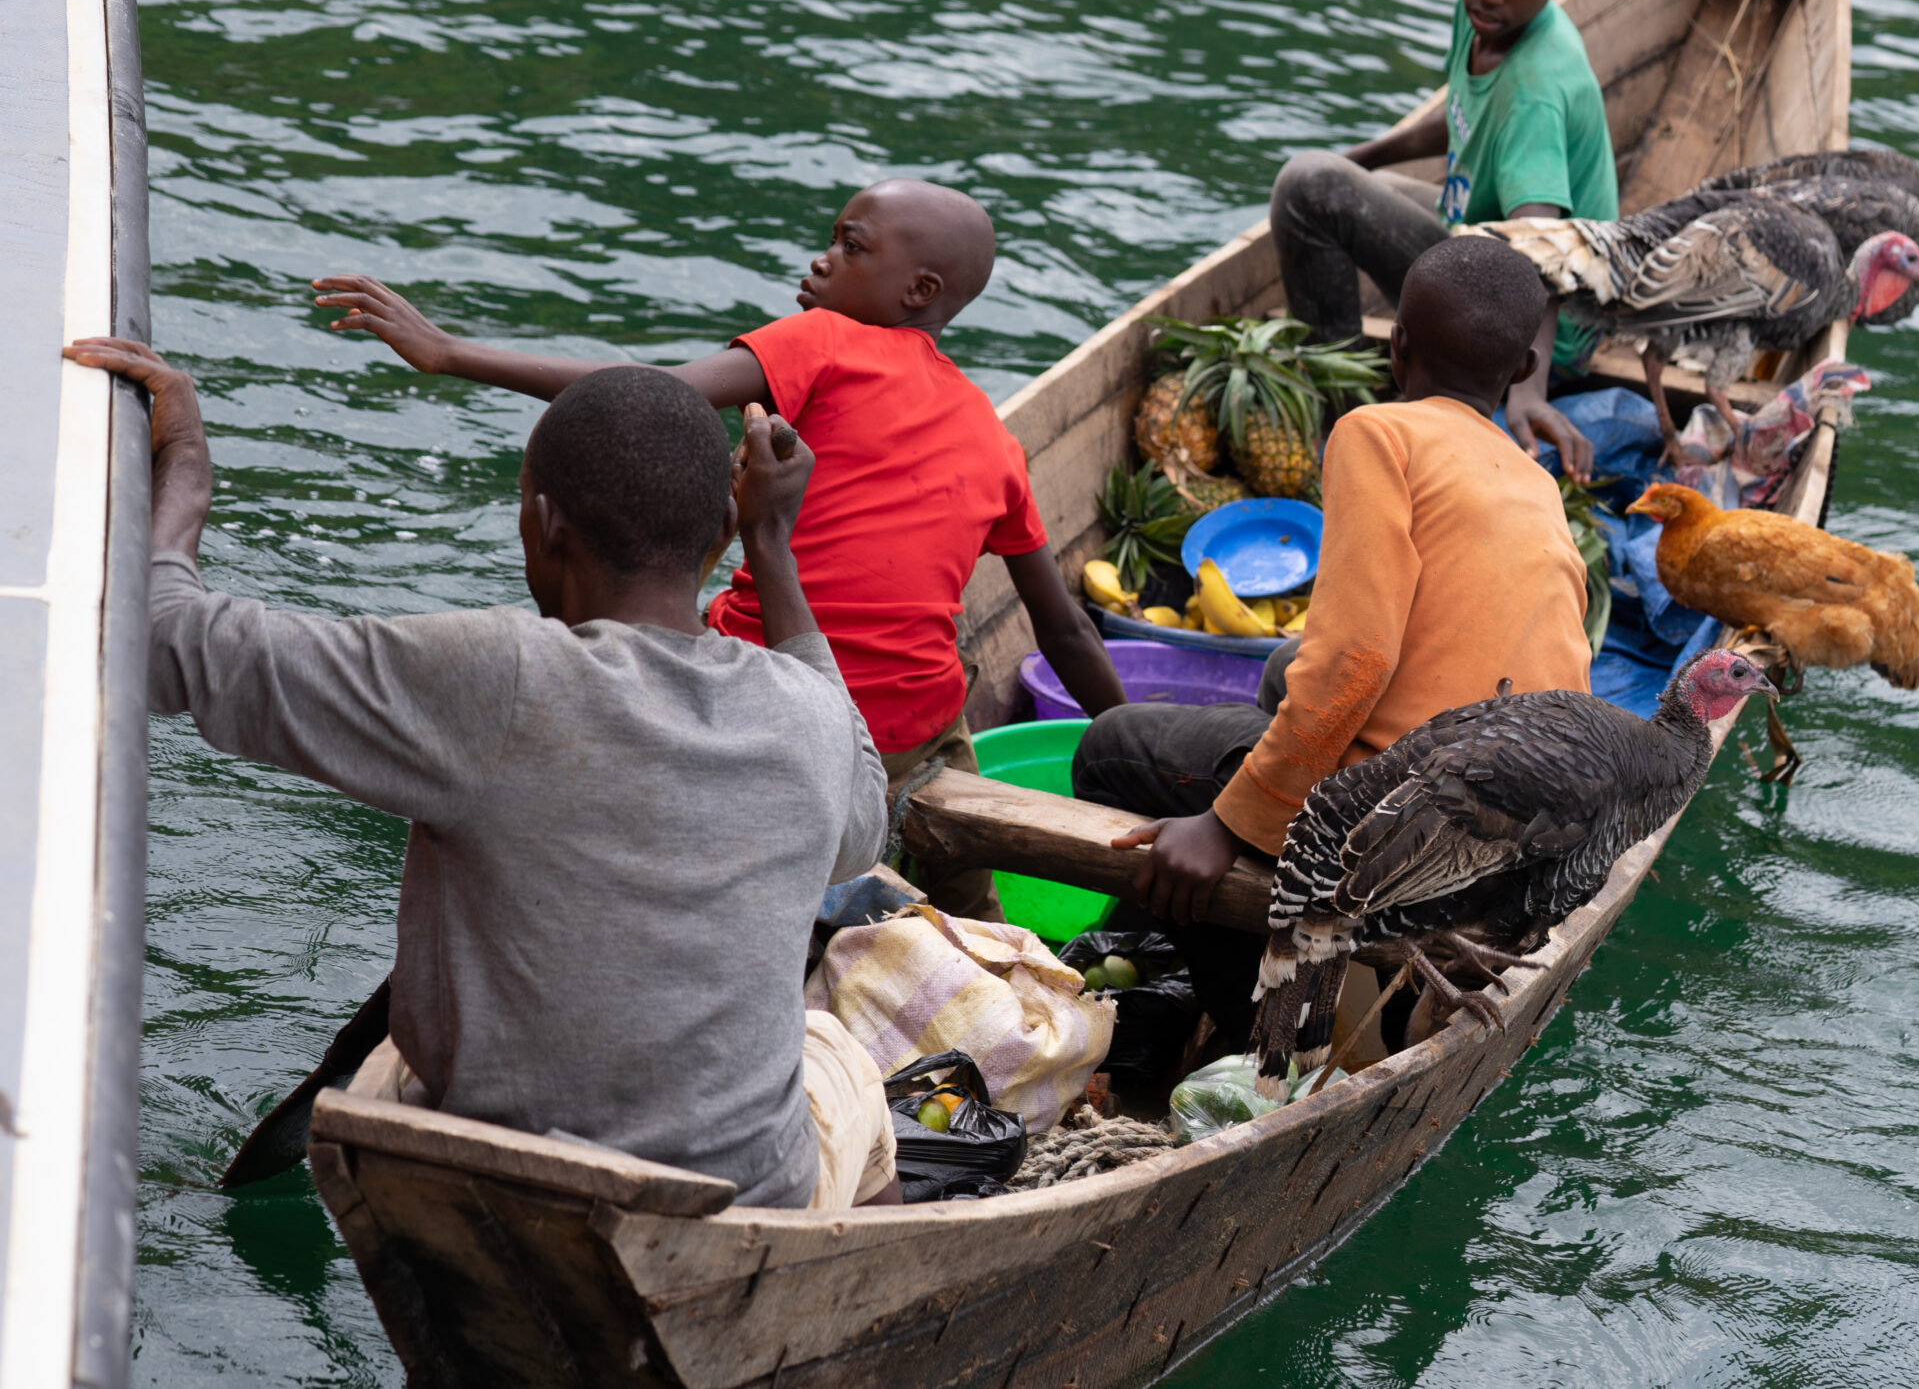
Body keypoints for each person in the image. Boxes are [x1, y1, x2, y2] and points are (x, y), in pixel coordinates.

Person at [67, 338, 901, 1208]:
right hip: (739, 1195)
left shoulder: (495, 676)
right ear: (722, 533)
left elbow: (159, 635)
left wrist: (186, 449)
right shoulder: (803, 710)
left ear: (543, 524)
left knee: (392, 1056)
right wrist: (773, 544)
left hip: (491, 1171)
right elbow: (863, 832)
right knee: (841, 1057)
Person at [312, 178, 1128, 918]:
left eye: (850, 245)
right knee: (959, 842)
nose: (822, 256)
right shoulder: (995, 438)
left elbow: (647, 393)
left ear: (918, 290)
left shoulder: (826, 342)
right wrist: (1141, 764)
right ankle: (973, 926)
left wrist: (449, 352)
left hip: (779, 712)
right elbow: (1066, 633)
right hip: (912, 733)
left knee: (661, 620)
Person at [1070, 237, 1594, 1037]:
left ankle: (1258, 1020)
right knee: (1286, 669)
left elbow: (1359, 658)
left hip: (1392, 821)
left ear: (1398, 343)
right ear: (1524, 369)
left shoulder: (1377, 432)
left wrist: (1227, 826)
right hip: (1514, 835)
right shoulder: (1536, 484)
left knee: (1110, 747)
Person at [1269, 0, 1615, 481]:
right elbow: (1462, 117)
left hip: (1535, 328)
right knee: (1340, 181)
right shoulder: (1487, 18)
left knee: (1307, 188)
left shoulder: (1536, 88)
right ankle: (1354, 391)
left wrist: (1527, 388)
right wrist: (1368, 156)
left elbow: (1541, 249)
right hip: (1480, 241)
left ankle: (1347, 414)